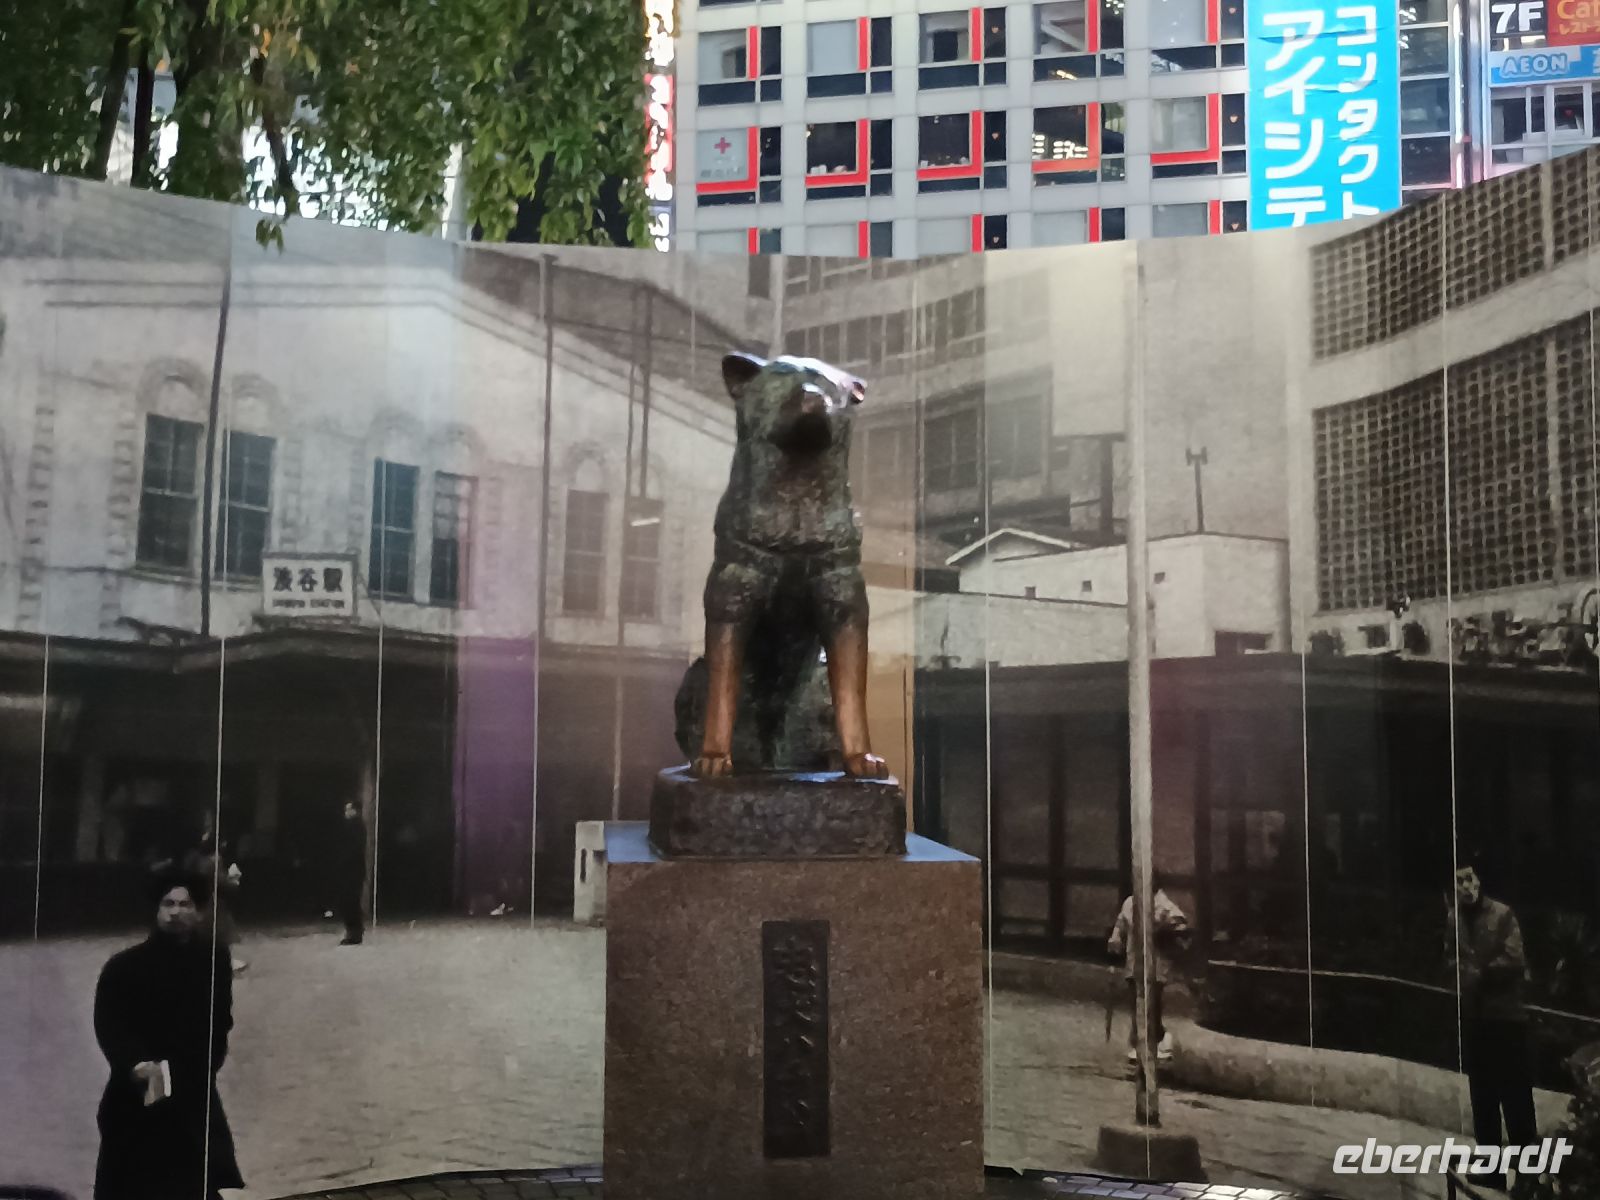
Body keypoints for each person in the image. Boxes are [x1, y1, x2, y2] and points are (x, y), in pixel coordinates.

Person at [93, 867, 243, 1199]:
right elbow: (110, 1026)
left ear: (199, 911)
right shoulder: (124, 967)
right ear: (157, 909)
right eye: (168, 904)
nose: (176, 912)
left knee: (194, 1183)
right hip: (137, 1096)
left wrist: (205, 1065)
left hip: (192, 1093)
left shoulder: (214, 961)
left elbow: (220, 1020)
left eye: (185, 904)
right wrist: (136, 1065)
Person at [1448, 855, 1538, 1185]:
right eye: (1460, 881)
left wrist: (1479, 975)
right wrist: (1459, 974)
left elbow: (1514, 959)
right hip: (1476, 1019)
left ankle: (1529, 1180)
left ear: (1480, 881)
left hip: (1507, 1020)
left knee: (1516, 1101)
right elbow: (1450, 956)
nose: (1467, 886)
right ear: (1452, 888)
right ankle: (1491, 1172)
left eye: (1471, 879)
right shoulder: (1453, 918)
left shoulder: (1502, 914)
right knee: (1483, 1098)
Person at [1108, 886, 1191, 1068]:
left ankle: (1152, 1041)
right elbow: (1121, 923)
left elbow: (1181, 926)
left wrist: (1167, 933)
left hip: (1156, 963)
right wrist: (1115, 939)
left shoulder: (1163, 904)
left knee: (1150, 1003)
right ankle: (1146, 1041)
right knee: (1136, 1002)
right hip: (1134, 960)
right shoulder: (1130, 902)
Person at [183, 809, 246, 974]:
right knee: (219, 932)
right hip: (211, 903)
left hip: (195, 900)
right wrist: (234, 878)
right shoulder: (214, 860)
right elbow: (222, 883)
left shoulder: (191, 857)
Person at [337, 800, 368, 946]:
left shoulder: (356, 826)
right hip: (349, 869)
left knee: (351, 901)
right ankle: (352, 931)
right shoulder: (351, 826)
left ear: (355, 811)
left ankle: (354, 933)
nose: (346, 813)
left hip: (353, 869)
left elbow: (353, 849)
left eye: (349, 810)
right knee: (348, 901)